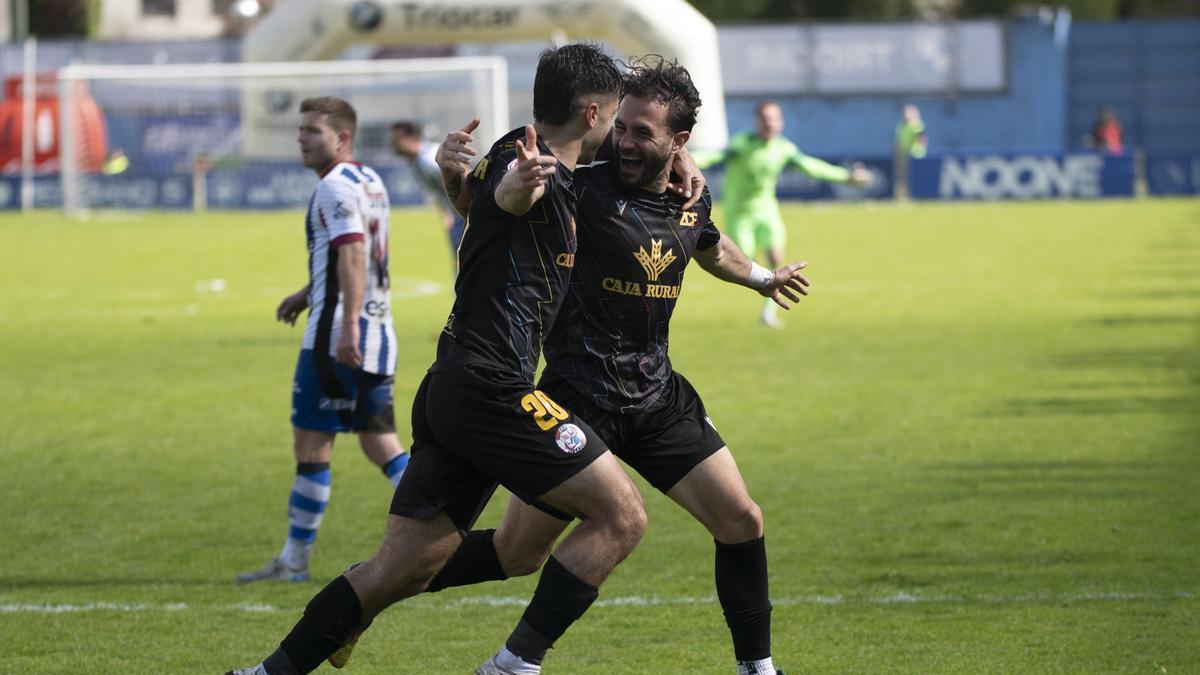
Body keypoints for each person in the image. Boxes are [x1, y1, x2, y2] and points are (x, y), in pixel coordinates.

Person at [346, 56, 805, 675]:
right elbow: (496, 206)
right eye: (622, 126)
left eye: (643, 132)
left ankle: (757, 668)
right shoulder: (578, 187)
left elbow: (710, 245)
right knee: (517, 553)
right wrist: (464, 179)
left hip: (656, 395)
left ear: (679, 141)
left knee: (742, 518)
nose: (626, 141)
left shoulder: (686, 196)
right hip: (576, 396)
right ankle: (369, 589)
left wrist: (762, 278)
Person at [226, 43, 641, 675]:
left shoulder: (515, 149)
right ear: (591, 114)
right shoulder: (528, 165)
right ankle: (513, 665)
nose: (618, 129)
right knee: (621, 515)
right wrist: (518, 185)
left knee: (404, 569)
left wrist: (456, 181)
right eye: (614, 115)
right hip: (491, 387)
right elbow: (511, 197)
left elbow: (484, 210)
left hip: (457, 384)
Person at [235, 97, 410, 585]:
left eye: (313, 130)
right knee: (380, 442)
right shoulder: (370, 180)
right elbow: (353, 258)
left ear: (343, 138)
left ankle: (294, 560)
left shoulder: (333, 187)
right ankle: (446, 529)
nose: (302, 138)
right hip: (379, 334)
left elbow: (352, 254)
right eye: (301, 130)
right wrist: (307, 293)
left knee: (312, 446)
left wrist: (346, 323)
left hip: (336, 340)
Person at [696, 100, 871, 328]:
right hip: (739, 213)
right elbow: (713, 157)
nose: (770, 124)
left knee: (776, 258)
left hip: (767, 210)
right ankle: (763, 293)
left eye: (774, 119)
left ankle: (768, 313)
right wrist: (682, 159)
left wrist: (845, 176)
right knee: (744, 261)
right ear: (757, 121)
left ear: (781, 122)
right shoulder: (742, 144)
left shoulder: (784, 148)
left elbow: (811, 166)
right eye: (765, 119)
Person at [391, 120, 467, 274]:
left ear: (412, 138)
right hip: (458, 214)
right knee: (460, 261)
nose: (392, 144)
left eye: (397, 139)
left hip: (467, 212)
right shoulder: (416, 161)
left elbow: (464, 175)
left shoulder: (429, 158)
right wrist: (446, 213)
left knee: (466, 261)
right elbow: (439, 191)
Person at [893, 103, 927, 200]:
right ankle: (901, 196)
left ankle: (913, 196)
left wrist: (918, 149)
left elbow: (921, 138)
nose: (905, 115)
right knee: (901, 176)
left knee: (912, 177)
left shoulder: (916, 124)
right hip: (902, 153)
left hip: (913, 154)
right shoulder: (902, 124)